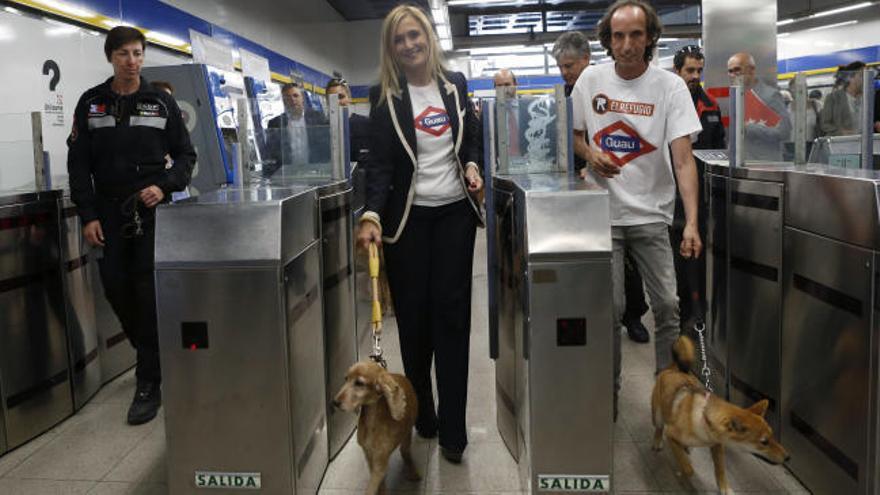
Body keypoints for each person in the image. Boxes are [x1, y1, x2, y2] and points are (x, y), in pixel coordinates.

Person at [356, 4, 483, 464]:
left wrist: (471, 164)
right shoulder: (384, 96)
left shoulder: (456, 86)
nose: (409, 45)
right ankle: (421, 412)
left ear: (428, 36)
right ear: (391, 48)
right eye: (399, 39)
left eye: (415, 35)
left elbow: (471, 137)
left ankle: (453, 429)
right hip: (405, 223)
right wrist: (371, 212)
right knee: (413, 322)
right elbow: (380, 162)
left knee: (452, 319)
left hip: (454, 215)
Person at [571, 0, 703, 417]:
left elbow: (683, 160)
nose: (627, 45)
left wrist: (692, 224)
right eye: (618, 36)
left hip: (652, 213)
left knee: (667, 305)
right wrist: (591, 154)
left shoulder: (670, 87)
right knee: (608, 310)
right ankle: (607, 397)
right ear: (608, 40)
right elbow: (573, 135)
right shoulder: (591, 80)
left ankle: (665, 398)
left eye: (636, 35)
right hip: (602, 213)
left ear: (649, 38)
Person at [67, 26, 196, 425]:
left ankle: (148, 381)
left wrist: (165, 185)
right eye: (123, 54)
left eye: (138, 53)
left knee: (146, 293)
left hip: (150, 211)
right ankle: (154, 354)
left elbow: (186, 157)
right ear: (111, 57)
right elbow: (79, 166)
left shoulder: (160, 102)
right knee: (116, 290)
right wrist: (88, 215)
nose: (132, 61)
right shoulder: (91, 103)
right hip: (106, 213)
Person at [552, 30, 651, 343]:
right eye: (560, 67)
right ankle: (595, 314)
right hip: (578, 192)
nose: (565, 72)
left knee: (627, 263)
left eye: (569, 65)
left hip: (616, 189)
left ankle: (633, 315)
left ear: (586, 59)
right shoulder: (564, 98)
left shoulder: (609, 91)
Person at [671, 45, 723, 327]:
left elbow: (720, 150)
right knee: (674, 261)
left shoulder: (710, 105)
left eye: (699, 70)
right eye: (690, 70)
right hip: (669, 197)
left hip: (700, 198)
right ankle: (677, 313)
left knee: (697, 259)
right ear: (677, 71)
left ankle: (696, 315)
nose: (695, 76)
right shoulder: (666, 104)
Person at [727, 52, 792, 160]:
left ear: (751, 70)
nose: (734, 75)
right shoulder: (736, 96)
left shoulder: (770, 95)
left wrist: (749, 128)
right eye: (730, 71)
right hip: (740, 163)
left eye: (737, 70)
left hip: (765, 165)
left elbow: (784, 131)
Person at [264, 82, 328, 176]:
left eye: (295, 95)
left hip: (314, 174)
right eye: (287, 97)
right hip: (287, 176)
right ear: (283, 101)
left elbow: (325, 149)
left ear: (302, 98)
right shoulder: (275, 123)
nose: (292, 100)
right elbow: (271, 154)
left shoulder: (318, 119)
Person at [325, 77, 371, 164]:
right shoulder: (322, 128)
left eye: (341, 97)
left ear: (349, 98)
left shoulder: (366, 124)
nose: (337, 102)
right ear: (327, 101)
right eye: (332, 98)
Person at [820, 61, 866, 136]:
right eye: (861, 75)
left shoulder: (868, 98)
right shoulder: (833, 98)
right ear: (851, 77)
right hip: (842, 143)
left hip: (864, 143)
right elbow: (825, 124)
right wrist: (841, 132)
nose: (865, 79)